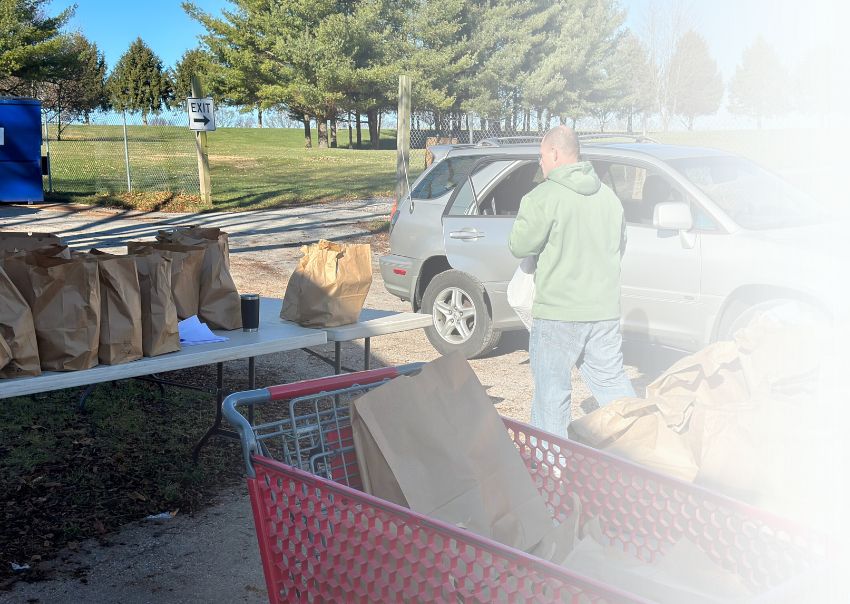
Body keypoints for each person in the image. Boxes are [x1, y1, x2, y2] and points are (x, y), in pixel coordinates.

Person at [509, 126, 635, 437]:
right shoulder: (610, 199)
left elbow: (519, 246)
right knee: (613, 385)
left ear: (554, 153)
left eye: (541, 156)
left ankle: (552, 470)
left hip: (557, 314)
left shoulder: (542, 197)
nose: (540, 164)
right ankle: (641, 451)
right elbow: (620, 246)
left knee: (552, 396)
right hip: (604, 312)